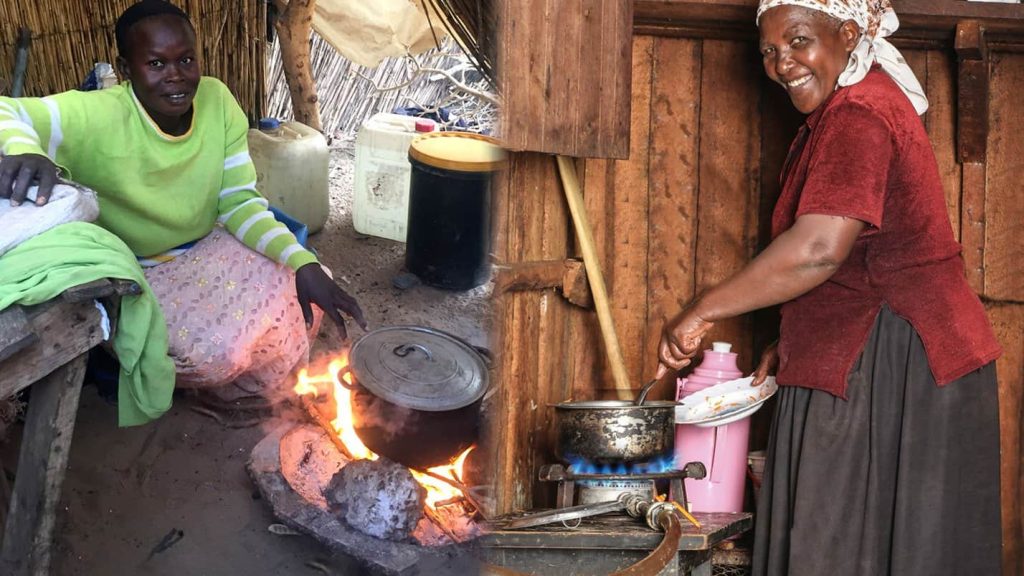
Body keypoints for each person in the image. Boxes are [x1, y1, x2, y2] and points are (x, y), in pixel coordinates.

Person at [656, 1, 1003, 574]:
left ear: (846, 33)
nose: (781, 63)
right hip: (879, 351)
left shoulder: (860, 113)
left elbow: (820, 249)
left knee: (839, 548)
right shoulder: (846, 109)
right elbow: (857, 260)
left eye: (797, 41)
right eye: (769, 50)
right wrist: (799, 335)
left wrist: (700, 310)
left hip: (900, 363)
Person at [0, 0, 366, 407]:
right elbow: (6, 110)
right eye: (156, 64)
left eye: (186, 59)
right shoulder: (98, 113)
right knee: (212, 357)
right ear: (125, 69)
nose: (176, 76)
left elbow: (239, 204)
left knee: (311, 289)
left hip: (208, 245)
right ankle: (213, 386)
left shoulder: (217, 101)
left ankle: (250, 386)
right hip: (140, 271)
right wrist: (22, 149)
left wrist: (304, 262)